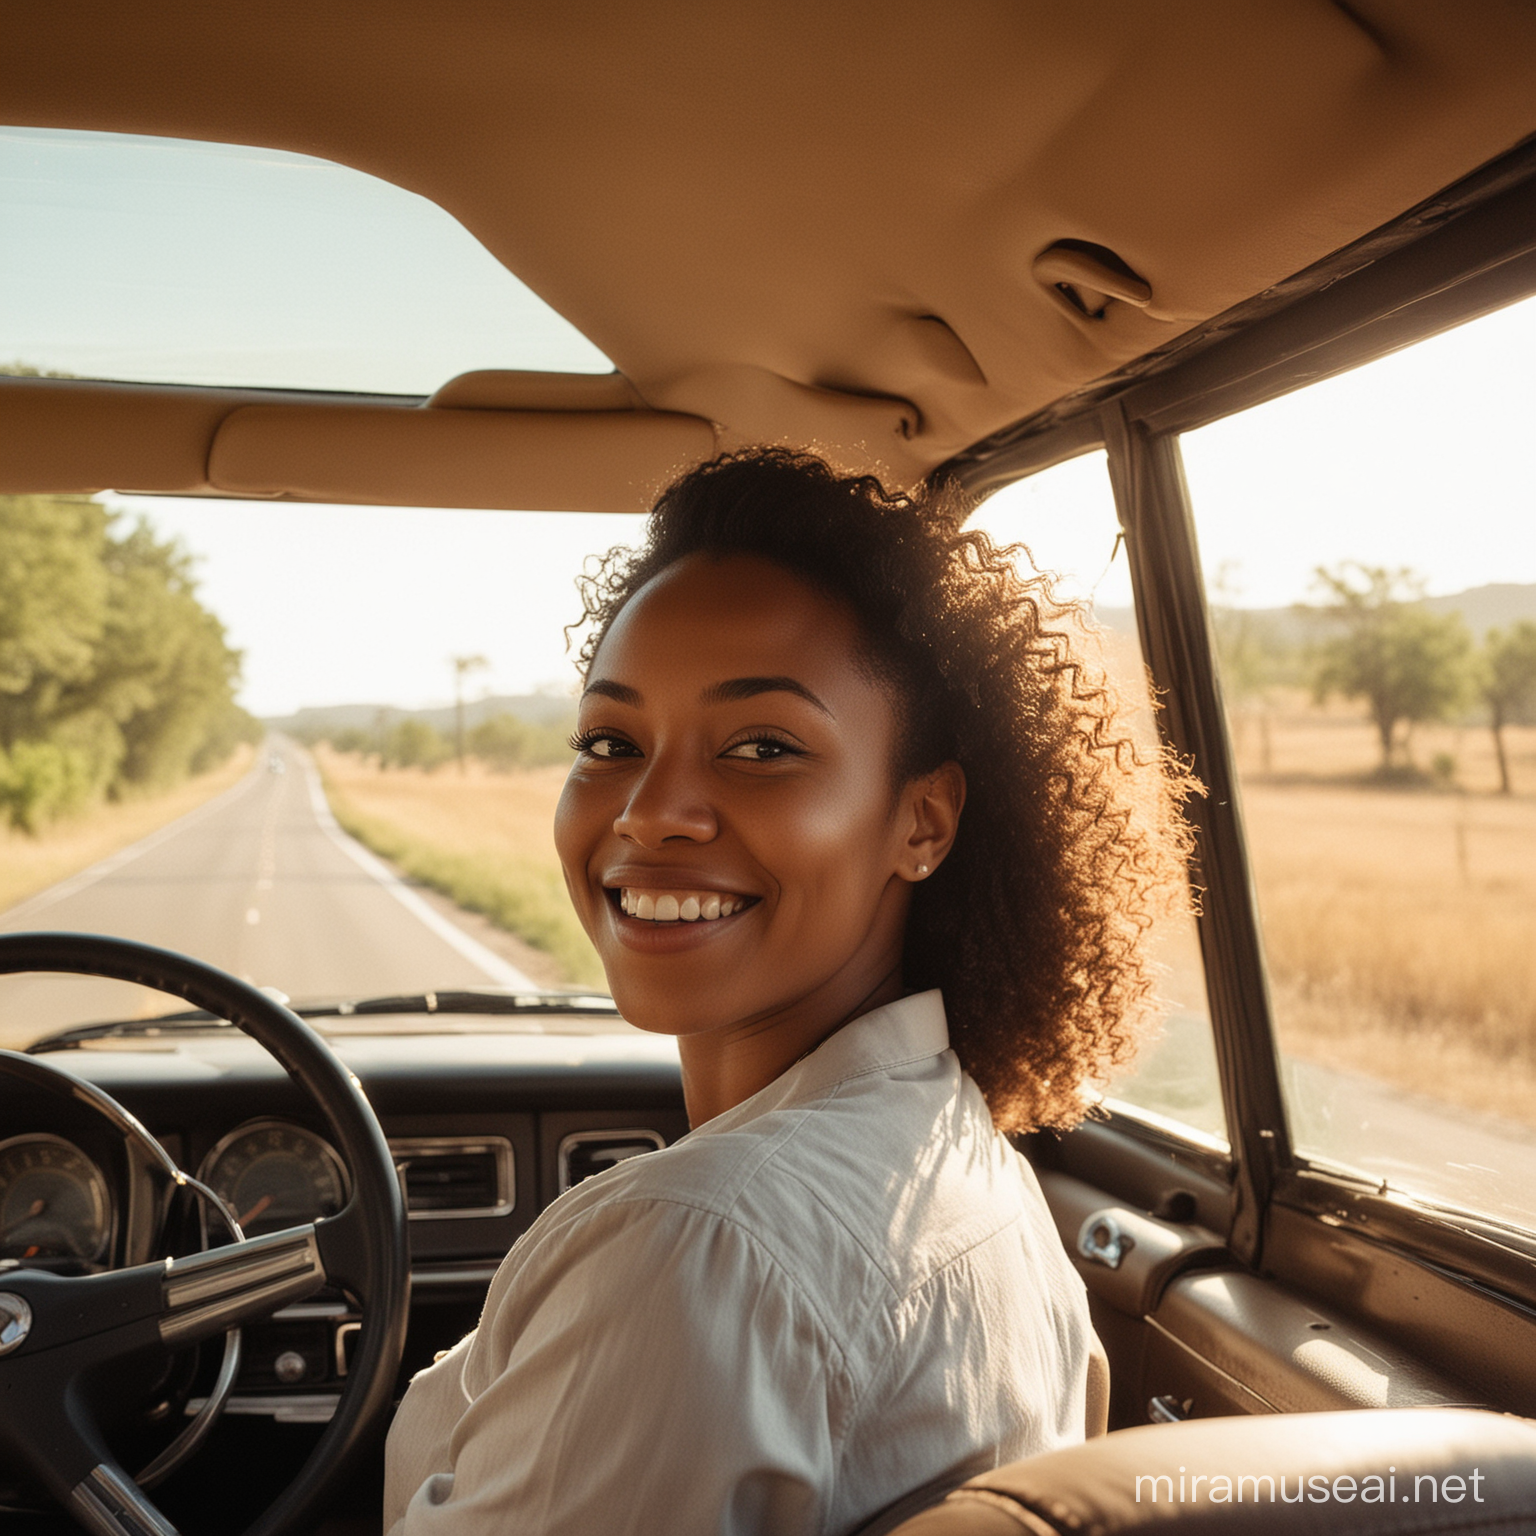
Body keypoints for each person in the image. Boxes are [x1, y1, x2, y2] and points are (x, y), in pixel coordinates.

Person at [382, 448, 1194, 1536]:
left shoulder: (701, 1246)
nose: (651, 812)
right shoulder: (966, 1159)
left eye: (761, 747)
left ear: (924, 822)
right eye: (610, 743)